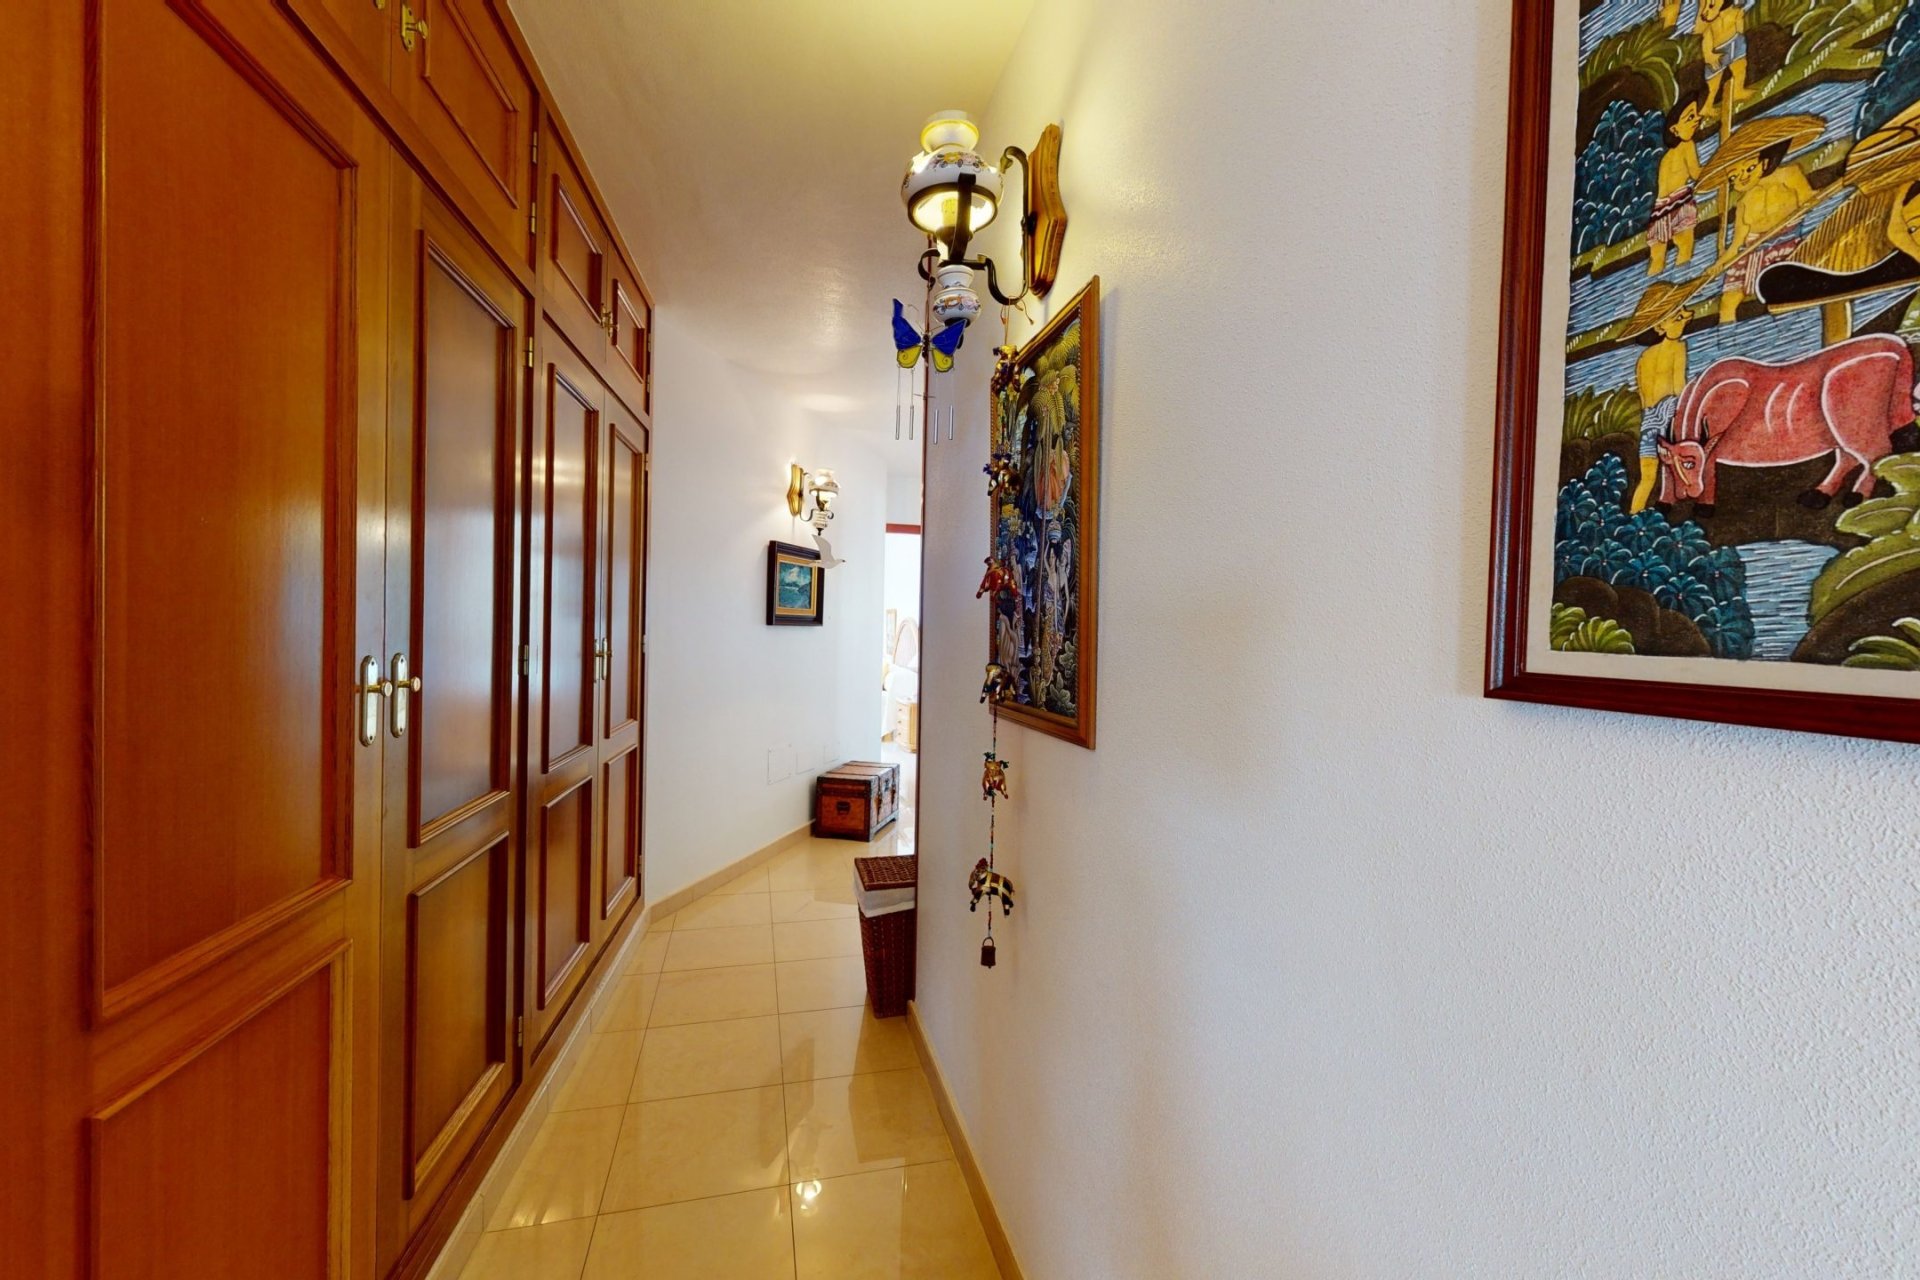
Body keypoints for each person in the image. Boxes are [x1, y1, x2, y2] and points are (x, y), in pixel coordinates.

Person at [1718, 140, 1814, 322]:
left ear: (1764, 163)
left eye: (1749, 168)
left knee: (1781, 293)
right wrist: (1718, 265)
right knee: (1728, 302)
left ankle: (1790, 330)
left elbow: (1810, 201)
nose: (1742, 178)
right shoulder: (1743, 203)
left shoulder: (1788, 174)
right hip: (1750, 254)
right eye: (1733, 177)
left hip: (1784, 244)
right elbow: (1737, 244)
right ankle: (1727, 335)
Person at [1633, 307, 1691, 513]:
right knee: (1677, 466)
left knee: (1647, 476)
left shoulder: (1644, 357)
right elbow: (1679, 385)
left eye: (1684, 318)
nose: (1683, 322)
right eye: (1678, 318)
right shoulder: (1678, 348)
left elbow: (1642, 395)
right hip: (1670, 409)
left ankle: (1634, 514)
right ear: (1660, 326)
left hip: (1649, 418)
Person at [1649, 94, 1704, 275]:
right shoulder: (1687, 145)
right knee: (1685, 249)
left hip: (1659, 209)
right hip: (1679, 203)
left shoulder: (1666, 157)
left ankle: (1655, 287)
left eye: (1696, 114)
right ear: (1674, 129)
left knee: (1657, 259)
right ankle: (1682, 280)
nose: (1697, 119)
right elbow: (1696, 174)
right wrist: (1720, 167)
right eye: (1690, 117)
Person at [1698, 0, 1751, 121]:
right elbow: (1706, 40)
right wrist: (1709, 56)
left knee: (1740, 68)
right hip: (1718, 52)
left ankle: (1738, 91)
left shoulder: (1735, 12)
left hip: (1735, 43)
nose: (1705, 12)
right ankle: (1706, 106)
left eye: (1711, 6)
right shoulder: (1711, 25)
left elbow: (1740, 26)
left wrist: (1740, 25)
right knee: (1713, 83)